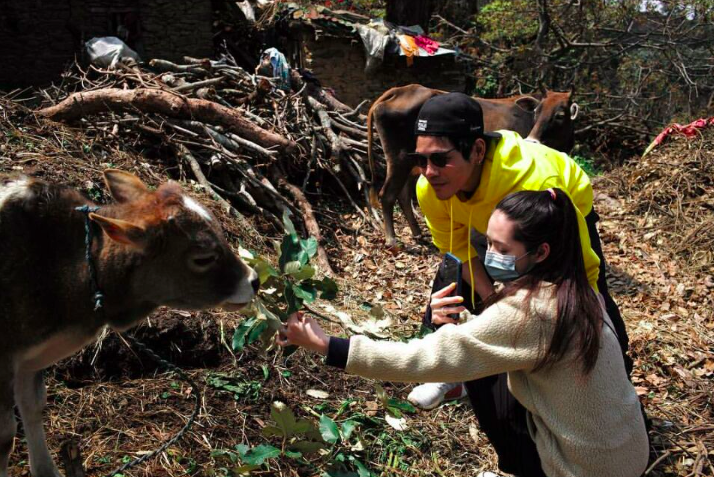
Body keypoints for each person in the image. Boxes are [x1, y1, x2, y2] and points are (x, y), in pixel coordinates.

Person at [277, 189, 649, 477]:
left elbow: (421, 359)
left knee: (474, 373)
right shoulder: (579, 290)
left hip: (581, 469)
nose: (489, 255)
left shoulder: (529, 313)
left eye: (502, 248)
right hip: (625, 454)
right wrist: (459, 328)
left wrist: (327, 345)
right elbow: (512, 339)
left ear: (541, 252)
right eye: (488, 242)